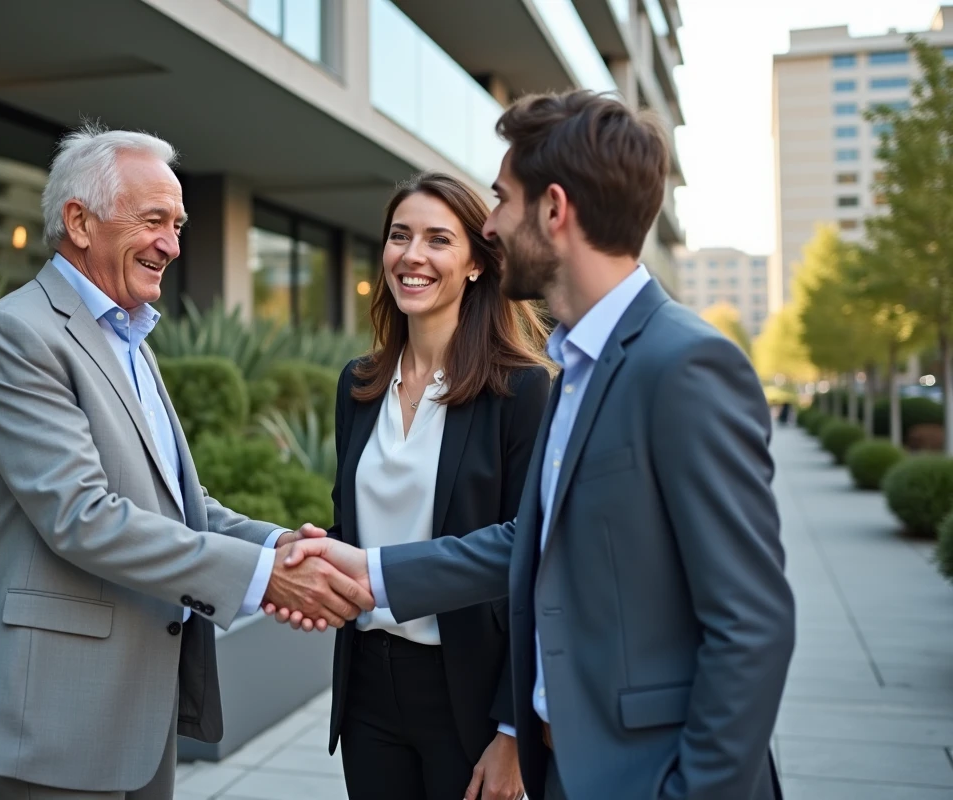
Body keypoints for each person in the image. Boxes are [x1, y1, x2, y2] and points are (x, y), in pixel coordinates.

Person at [273, 91, 795, 800]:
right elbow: (529, 543)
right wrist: (367, 572)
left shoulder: (683, 364)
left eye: (501, 200)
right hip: (567, 765)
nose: (491, 223)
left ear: (553, 210)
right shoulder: (578, 363)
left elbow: (752, 624)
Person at [0, 122, 372, 799]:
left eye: (177, 224)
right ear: (79, 222)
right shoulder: (17, 336)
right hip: (56, 711)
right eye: (154, 221)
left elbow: (179, 498)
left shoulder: (130, 338)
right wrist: (266, 578)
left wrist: (279, 543)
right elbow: (83, 517)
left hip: (139, 708)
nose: (172, 245)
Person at [325, 173, 551, 800]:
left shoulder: (523, 390)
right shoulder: (358, 384)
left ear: (476, 263)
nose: (412, 256)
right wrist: (310, 556)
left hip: (470, 696)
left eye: (438, 239)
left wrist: (514, 730)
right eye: (400, 236)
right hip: (368, 686)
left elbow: (532, 558)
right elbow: (353, 529)